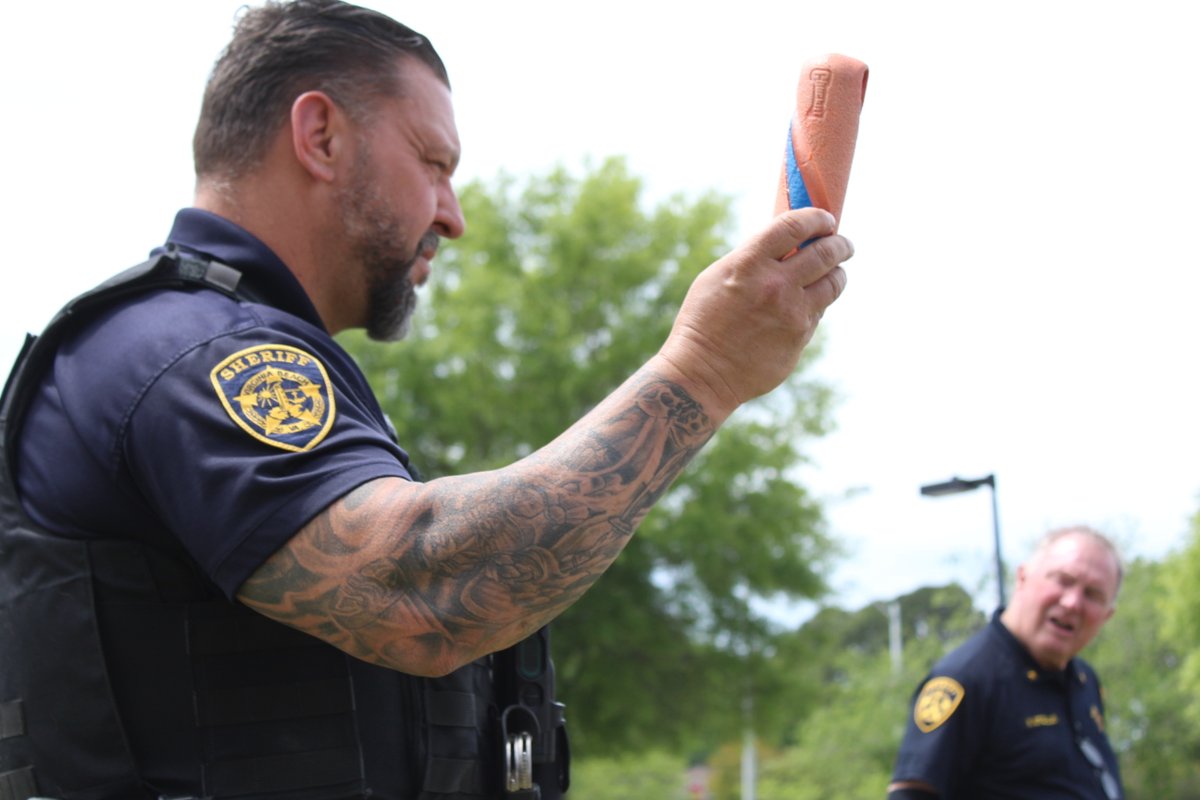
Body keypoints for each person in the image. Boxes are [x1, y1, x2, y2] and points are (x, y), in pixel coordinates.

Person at [0, 2, 852, 798]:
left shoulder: (238, 350)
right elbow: (421, 591)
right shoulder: (193, 354)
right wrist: (703, 372)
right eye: (434, 163)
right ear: (321, 136)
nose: (453, 217)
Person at [886, 526, 1125, 800]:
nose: (1072, 602)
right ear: (1022, 577)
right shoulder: (966, 680)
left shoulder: (1084, 681)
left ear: (1107, 616)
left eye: (1093, 594)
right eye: (1063, 580)